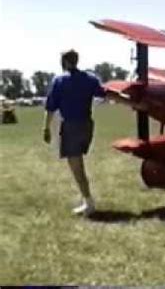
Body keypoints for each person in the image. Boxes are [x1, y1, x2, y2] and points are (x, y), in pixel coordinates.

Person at [43, 49, 106, 216]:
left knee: (76, 166)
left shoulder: (59, 80)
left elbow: (50, 107)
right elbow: (104, 93)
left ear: (64, 61)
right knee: (79, 164)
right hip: (87, 125)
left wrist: (46, 128)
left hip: (71, 126)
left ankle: (88, 202)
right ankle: (87, 200)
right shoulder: (90, 78)